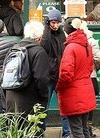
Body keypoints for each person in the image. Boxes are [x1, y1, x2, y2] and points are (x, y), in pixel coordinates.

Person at [3, 21, 49, 131]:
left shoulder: (13, 49)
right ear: (39, 37)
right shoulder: (39, 51)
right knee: (32, 132)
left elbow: (3, 76)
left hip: (11, 102)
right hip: (30, 103)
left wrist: (5, 99)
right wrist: (44, 97)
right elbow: (41, 79)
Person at [57, 17, 96, 138]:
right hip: (86, 91)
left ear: (67, 31)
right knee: (84, 129)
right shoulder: (86, 45)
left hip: (73, 94)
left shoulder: (70, 48)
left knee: (77, 132)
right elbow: (90, 68)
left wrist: (59, 87)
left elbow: (66, 74)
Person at [40, 9, 70, 138]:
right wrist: (46, 28)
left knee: (65, 106)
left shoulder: (61, 34)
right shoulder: (45, 34)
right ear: (48, 22)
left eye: (58, 22)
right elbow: (45, 46)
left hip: (61, 74)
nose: (55, 25)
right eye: (53, 22)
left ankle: (67, 133)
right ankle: (40, 132)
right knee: (43, 106)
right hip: (49, 75)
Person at [80, 21, 100, 137]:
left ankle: (82, 130)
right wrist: (94, 68)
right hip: (91, 77)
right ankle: (88, 130)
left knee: (81, 104)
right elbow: (98, 58)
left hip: (79, 78)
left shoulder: (74, 41)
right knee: (90, 105)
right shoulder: (92, 41)